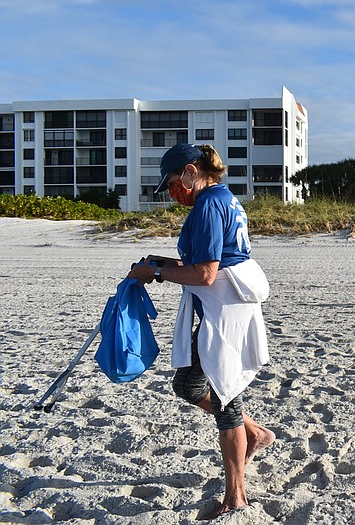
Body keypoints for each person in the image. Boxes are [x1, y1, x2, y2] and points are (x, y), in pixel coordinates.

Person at [127, 143, 275, 520]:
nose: (172, 191)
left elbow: (206, 274)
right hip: (224, 305)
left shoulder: (208, 204)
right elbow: (211, 262)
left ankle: (236, 498)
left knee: (225, 399)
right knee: (189, 385)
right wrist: (160, 264)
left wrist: (156, 273)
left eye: (173, 182)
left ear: (192, 172)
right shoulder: (223, 199)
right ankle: (256, 433)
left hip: (225, 310)